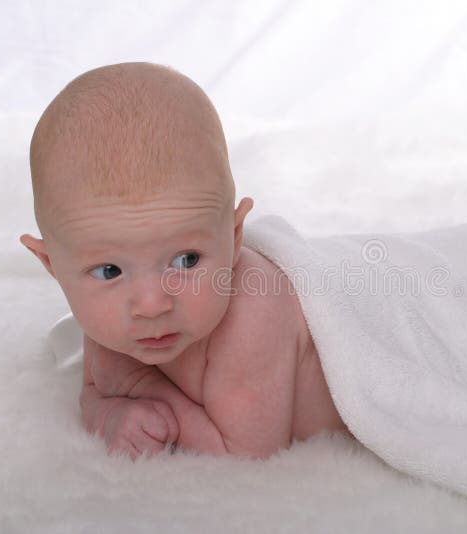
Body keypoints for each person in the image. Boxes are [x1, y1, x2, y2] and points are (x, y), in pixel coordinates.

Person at [20, 62, 352, 460]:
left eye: (186, 260)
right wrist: (111, 415)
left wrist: (145, 390)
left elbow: (246, 456)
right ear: (52, 264)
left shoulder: (251, 316)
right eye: (110, 271)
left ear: (232, 237)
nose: (152, 304)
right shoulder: (110, 325)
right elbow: (93, 394)